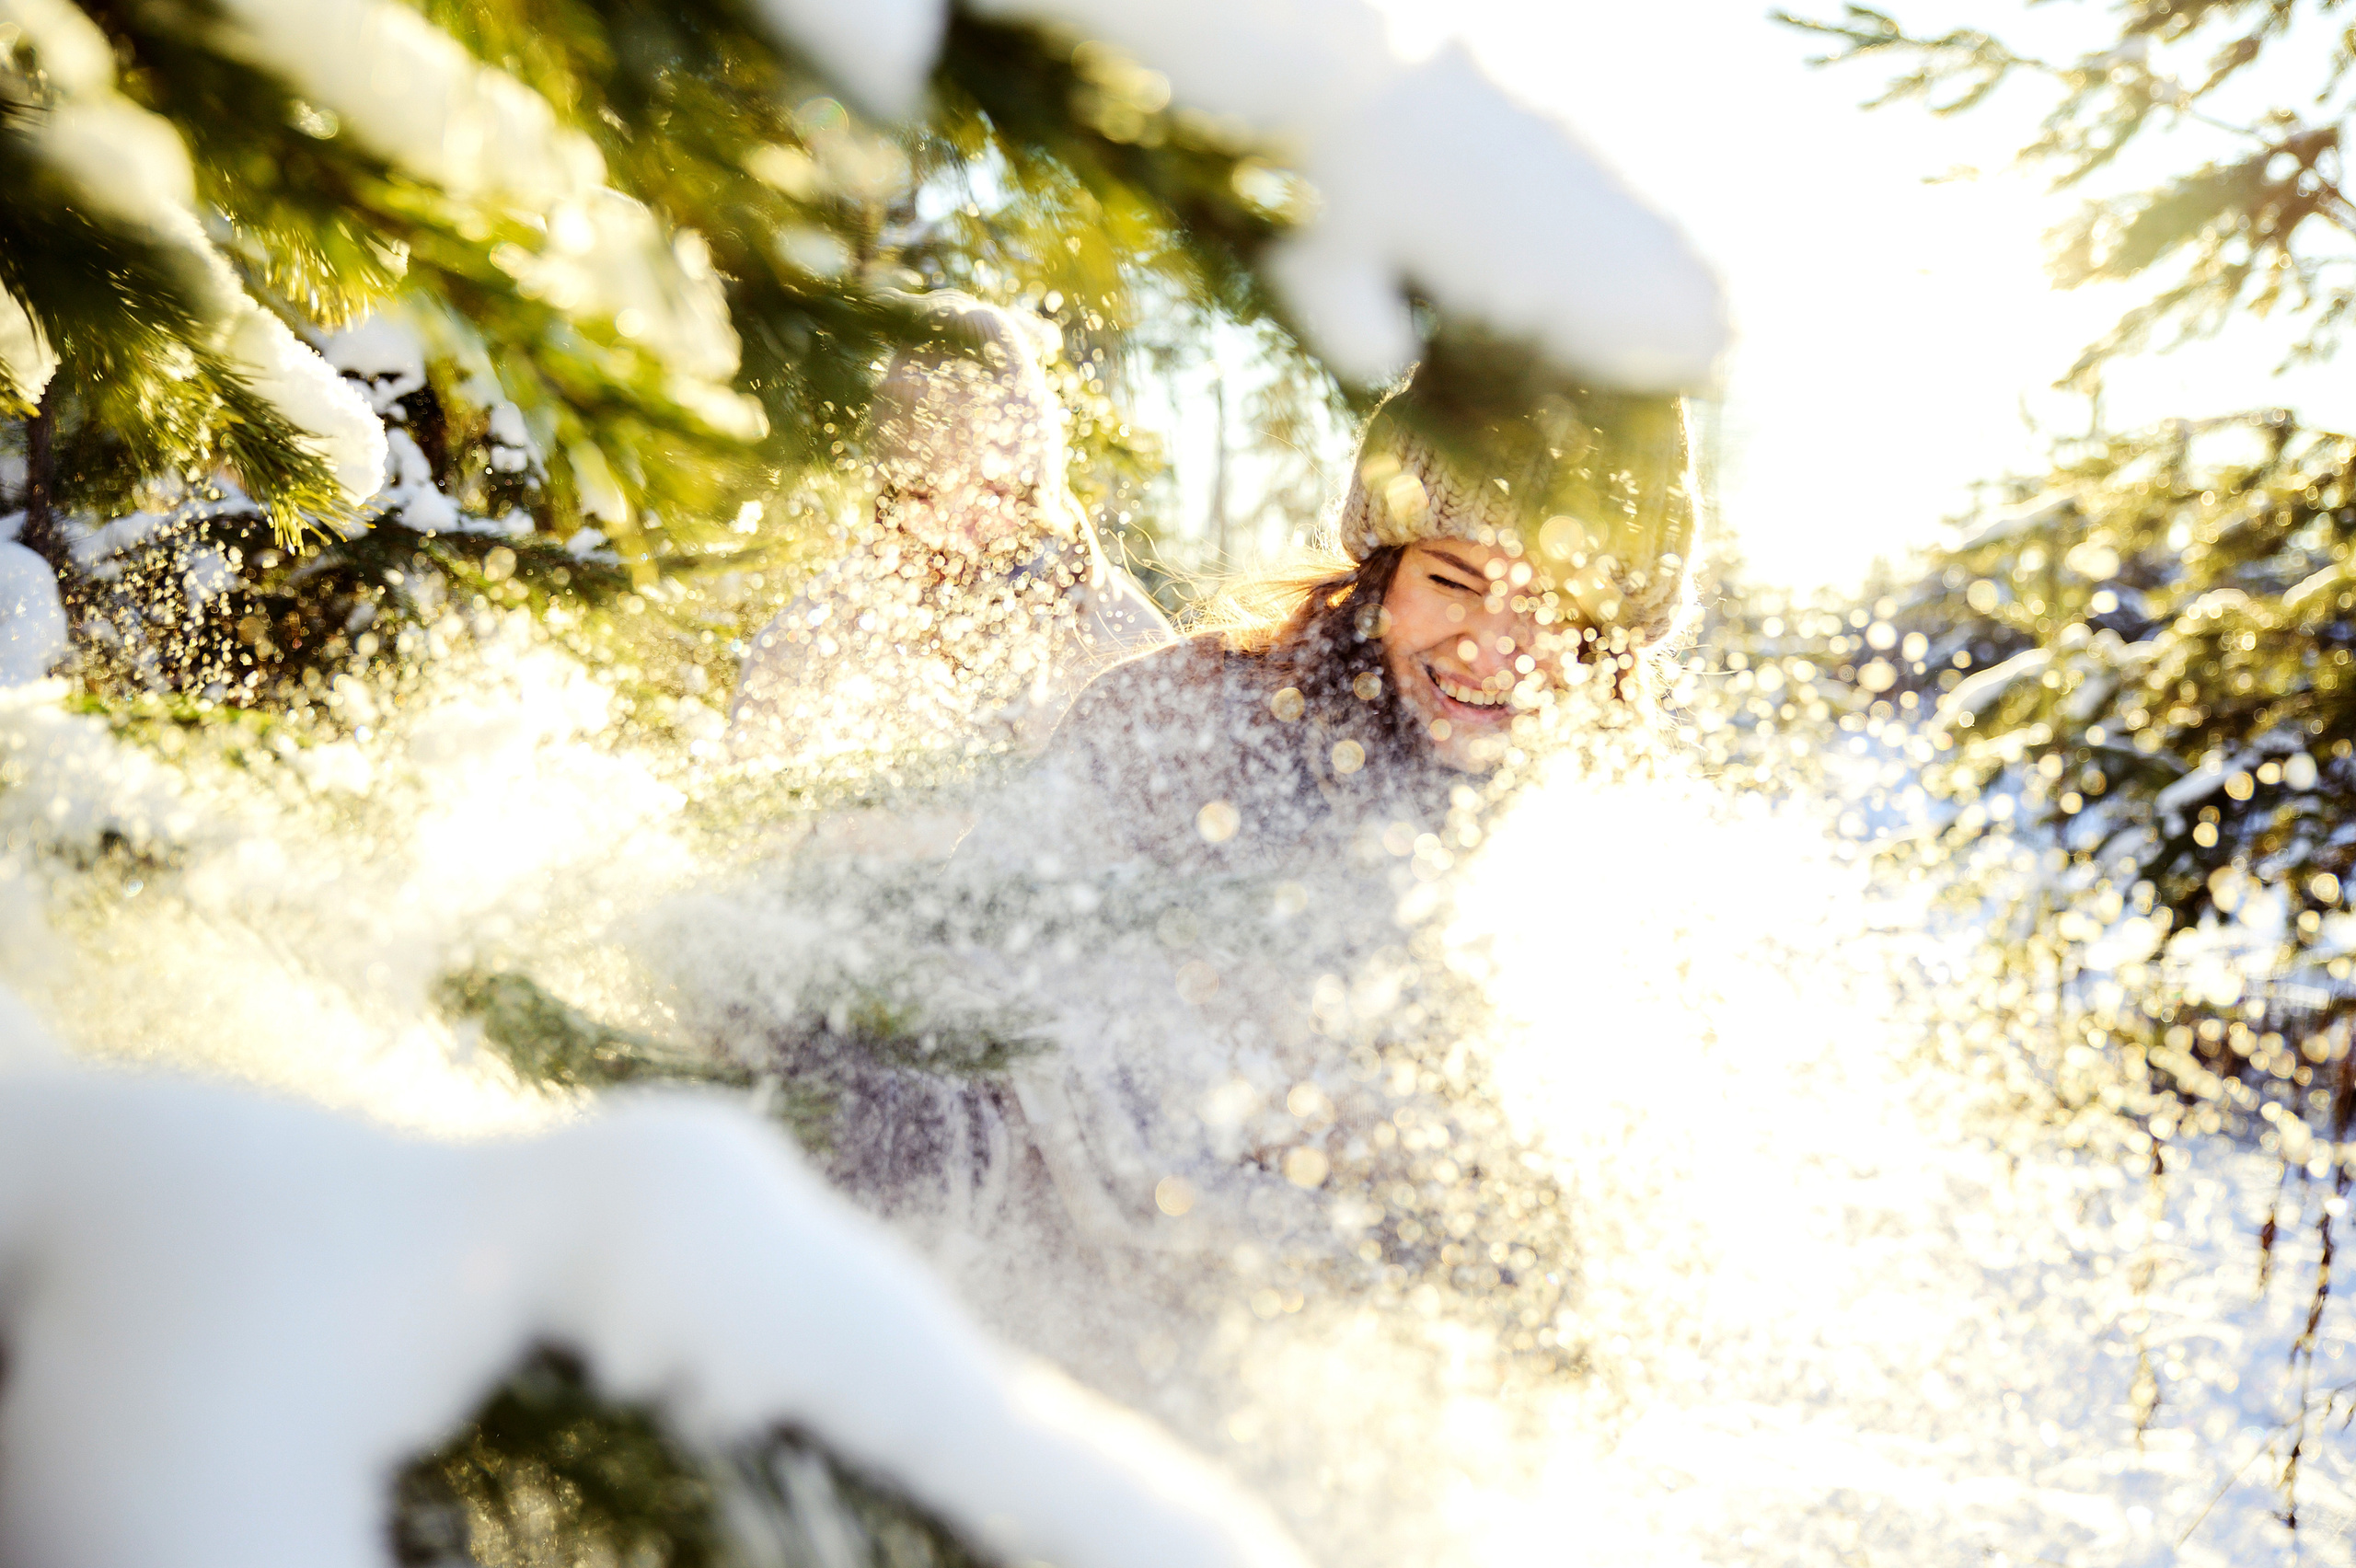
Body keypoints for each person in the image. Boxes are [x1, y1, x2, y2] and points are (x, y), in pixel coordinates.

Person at [727, 293, 1171, 778]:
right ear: (891, 494)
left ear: (1036, 486)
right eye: (927, 494)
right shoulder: (810, 642)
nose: (961, 526)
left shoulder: (1129, 645)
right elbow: (754, 825)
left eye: (991, 489)